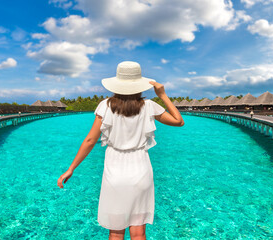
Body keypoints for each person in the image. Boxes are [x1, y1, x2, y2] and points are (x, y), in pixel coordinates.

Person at [57, 61, 184, 240]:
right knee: (138, 231)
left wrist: (71, 168)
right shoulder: (149, 106)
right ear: (139, 83)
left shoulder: (105, 106)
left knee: (116, 232)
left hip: (114, 172)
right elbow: (178, 121)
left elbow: (90, 140)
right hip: (141, 170)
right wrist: (162, 95)